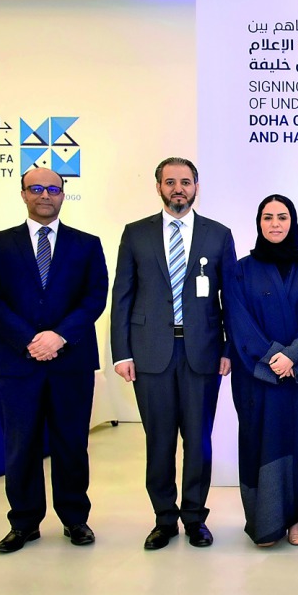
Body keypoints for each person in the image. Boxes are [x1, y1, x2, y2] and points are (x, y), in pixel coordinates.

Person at [0, 167, 108, 553]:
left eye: (53, 188)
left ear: (64, 194)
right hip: (16, 362)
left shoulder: (86, 244)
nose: (45, 195)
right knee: (21, 445)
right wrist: (29, 339)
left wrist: (59, 336)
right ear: (23, 194)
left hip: (70, 362)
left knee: (71, 443)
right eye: (36, 188)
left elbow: (94, 297)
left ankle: (75, 519)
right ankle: (24, 522)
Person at [111, 156, 237, 550]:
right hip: (150, 355)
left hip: (202, 352)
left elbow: (230, 299)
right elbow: (123, 296)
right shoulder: (136, 234)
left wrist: (229, 347)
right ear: (158, 187)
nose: (178, 188)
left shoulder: (218, 235)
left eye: (185, 181)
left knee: (198, 440)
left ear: (196, 186)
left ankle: (195, 518)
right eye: (170, 182)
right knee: (159, 440)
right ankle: (164, 519)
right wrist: (121, 353)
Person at [224, 195, 298, 548]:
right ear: (259, 223)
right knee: (261, 441)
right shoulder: (241, 268)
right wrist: (273, 357)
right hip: (259, 377)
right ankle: (265, 522)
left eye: (282, 217)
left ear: (293, 221)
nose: (275, 224)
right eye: (267, 217)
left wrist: (293, 356)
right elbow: (237, 320)